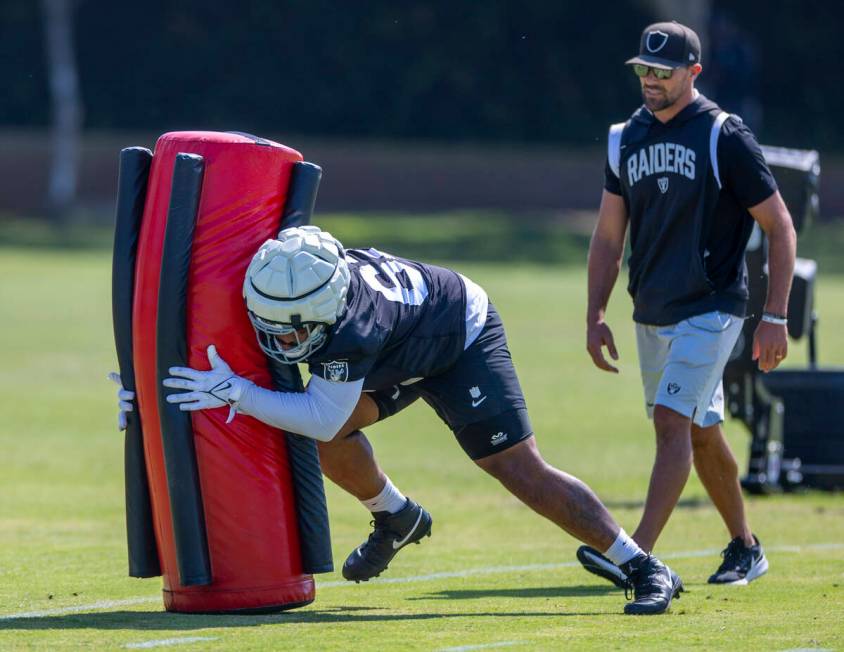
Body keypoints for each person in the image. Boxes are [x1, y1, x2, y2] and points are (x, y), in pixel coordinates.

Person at [114, 225, 683, 615]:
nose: (281, 342)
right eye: (273, 327)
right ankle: (396, 516)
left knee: (516, 469)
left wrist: (237, 391)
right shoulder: (296, 287)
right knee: (303, 429)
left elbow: (317, 415)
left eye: (293, 331)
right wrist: (146, 394)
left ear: (327, 310)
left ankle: (641, 566)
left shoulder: (353, 325)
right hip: (398, 346)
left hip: (457, 337)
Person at [580, 21, 796, 588]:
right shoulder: (623, 137)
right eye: (643, 70)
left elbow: (780, 226)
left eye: (663, 71)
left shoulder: (725, 134)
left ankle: (634, 554)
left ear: (693, 73)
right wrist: (595, 314)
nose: (650, 80)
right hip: (651, 309)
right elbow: (608, 236)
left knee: (673, 424)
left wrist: (775, 316)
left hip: (713, 306)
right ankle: (745, 547)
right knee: (701, 431)